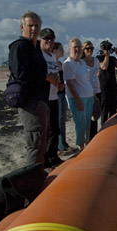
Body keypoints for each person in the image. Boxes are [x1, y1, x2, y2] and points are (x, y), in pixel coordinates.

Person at [8, 11, 59, 167]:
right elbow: (20, 74)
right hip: (30, 103)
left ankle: (38, 174)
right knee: (35, 143)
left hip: (42, 100)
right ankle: (32, 179)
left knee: (42, 142)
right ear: (22, 27)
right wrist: (45, 76)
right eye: (30, 26)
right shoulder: (19, 47)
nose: (34, 29)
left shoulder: (35, 48)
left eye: (37, 26)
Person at [63, 38, 94, 150]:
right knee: (80, 124)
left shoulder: (82, 62)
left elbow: (87, 80)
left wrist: (93, 96)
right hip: (78, 98)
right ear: (69, 48)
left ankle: (87, 145)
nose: (78, 49)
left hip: (88, 96)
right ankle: (81, 147)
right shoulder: (68, 64)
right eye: (75, 47)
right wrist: (78, 101)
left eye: (79, 47)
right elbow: (70, 84)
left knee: (87, 124)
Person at [39, 28, 64, 168]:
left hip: (54, 96)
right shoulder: (39, 55)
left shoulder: (52, 56)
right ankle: (45, 160)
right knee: (46, 130)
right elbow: (39, 74)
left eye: (51, 38)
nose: (49, 41)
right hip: (44, 97)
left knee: (55, 129)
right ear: (41, 40)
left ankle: (53, 157)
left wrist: (59, 84)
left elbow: (55, 73)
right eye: (46, 38)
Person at [96, 40, 117, 126]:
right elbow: (104, 66)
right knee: (104, 110)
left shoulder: (113, 59)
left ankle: (113, 125)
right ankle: (104, 127)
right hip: (104, 88)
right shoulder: (99, 58)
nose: (107, 50)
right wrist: (106, 56)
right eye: (106, 48)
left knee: (114, 107)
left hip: (113, 86)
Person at [53, 42, 70, 151]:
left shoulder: (60, 63)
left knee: (62, 120)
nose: (63, 51)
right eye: (61, 49)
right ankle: (59, 145)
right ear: (54, 51)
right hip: (57, 94)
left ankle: (63, 143)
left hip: (63, 93)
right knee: (58, 121)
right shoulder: (52, 63)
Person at [82, 41, 101, 139]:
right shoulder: (81, 62)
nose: (90, 50)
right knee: (88, 116)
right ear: (83, 50)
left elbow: (98, 71)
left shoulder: (96, 60)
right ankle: (88, 137)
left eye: (91, 48)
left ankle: (94, 136)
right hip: (87, 92)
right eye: (87, 48)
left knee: (96, 115)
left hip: (97, 89)